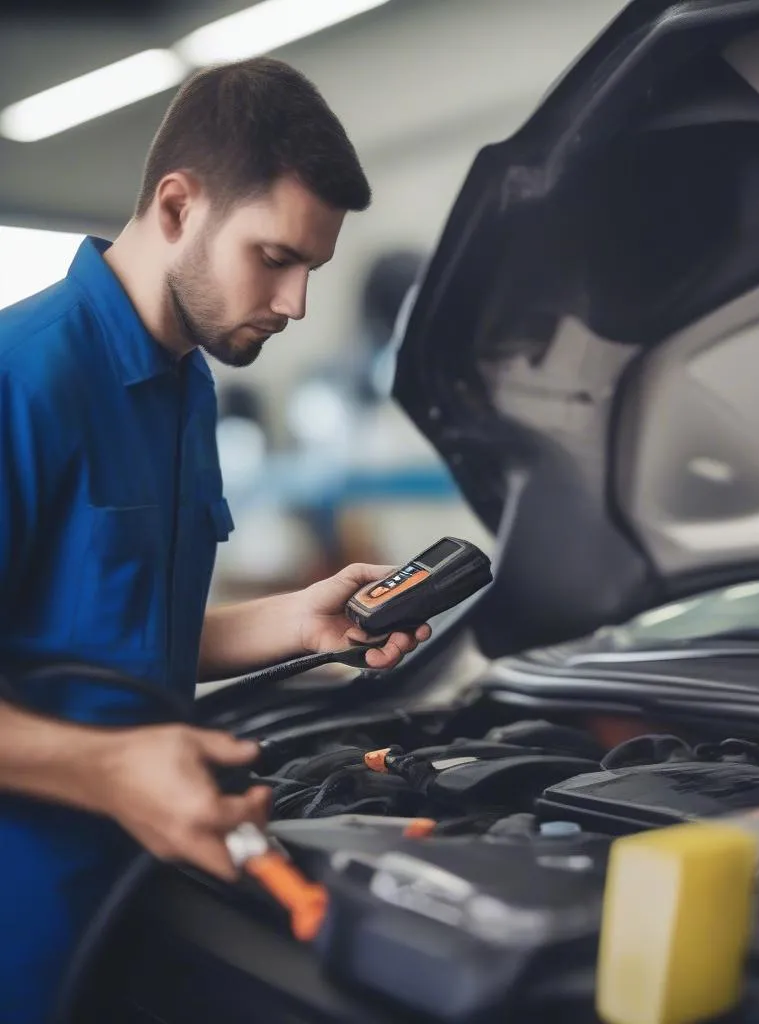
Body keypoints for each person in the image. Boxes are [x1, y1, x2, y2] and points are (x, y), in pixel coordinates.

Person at [0, 57, 430, 1024]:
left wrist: (294, 620)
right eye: (275, 257)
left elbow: (100, 646)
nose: (297, 303)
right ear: (178, 206)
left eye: (311, 270)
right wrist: (113, 770)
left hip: (146, 899)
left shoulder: (189, 384)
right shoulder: (17, 382)